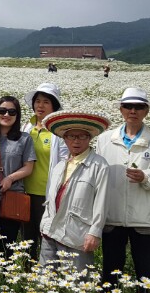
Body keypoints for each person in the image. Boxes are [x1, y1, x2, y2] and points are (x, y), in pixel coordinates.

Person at [95, 88, 150, 293]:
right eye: (128, 106)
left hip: (145, 216)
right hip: (112, 214)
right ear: (121, 109)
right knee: (111, 268)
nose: (133, 111)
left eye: (139, 107)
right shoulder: (104, 140)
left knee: (147, 269)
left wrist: (146, 176)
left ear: (146, 111)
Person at [39, 110, 111, 272]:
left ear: (90, 138)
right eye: (71, 136)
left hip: (77, 234)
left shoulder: (99, 166)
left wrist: (94, 233)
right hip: (50, 232)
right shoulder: (59, 166)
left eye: (82, 136)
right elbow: (50, 200)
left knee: (77, 281)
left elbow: (102, 202)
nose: (76, 141)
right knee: (46, 279)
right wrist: (44, 224)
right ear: (64, 139)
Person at [20, 83, 69, 265]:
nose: (40, 106)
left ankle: (47, 273)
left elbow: (65, 162)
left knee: (47, 238)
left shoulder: (59, 131)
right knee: (27, 239)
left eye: (46, 102)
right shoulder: (27, 127)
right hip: (25, 192)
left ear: (54, 106)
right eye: (38, 101)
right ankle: (27, 272)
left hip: (47, 195)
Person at [0, 96, 34, 256]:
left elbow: (28, 167)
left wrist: (10, 178)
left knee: (7, 246)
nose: (6, 115)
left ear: (17, 115)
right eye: (2, 110)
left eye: (12, 112)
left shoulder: (24, 139)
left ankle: (4, 272)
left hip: (13, 198)